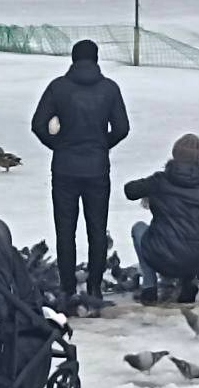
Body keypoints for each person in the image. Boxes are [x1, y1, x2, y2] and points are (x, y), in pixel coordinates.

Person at [31, 39, 130, 306]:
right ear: (96, 59)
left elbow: (38, 124)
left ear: (73, 59)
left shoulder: (58, 88)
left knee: (66, 230)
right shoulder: (110, 89)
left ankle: (67, 288)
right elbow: (121, 128)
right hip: (97, 169)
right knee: (97, 229)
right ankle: (95, 288)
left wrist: (58, 145)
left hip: (64, 168)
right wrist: (101, 145)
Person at [123, 134, 199, 305]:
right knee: (197, 250)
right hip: (195, 259)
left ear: (175, 153)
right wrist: (195, 233)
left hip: (160, 256)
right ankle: (187, 281)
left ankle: (149, 285)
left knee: (138, 228)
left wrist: (150, 188)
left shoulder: (160, 180)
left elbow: (129, 191)